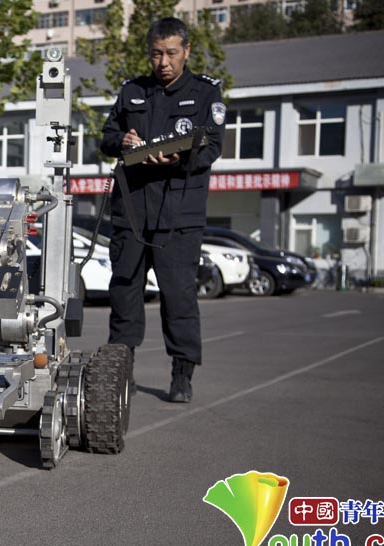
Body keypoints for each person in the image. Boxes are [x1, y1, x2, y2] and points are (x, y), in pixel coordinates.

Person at [100, 17, 225, 403]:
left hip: (178, 215)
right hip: (133, 212)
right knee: (124, 294)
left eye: (171, 53)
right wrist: (122, 138)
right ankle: (123, 373)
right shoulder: (132, 91)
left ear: (186, 51)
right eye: (157, 54)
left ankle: (182, 376)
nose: (164, 62)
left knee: (179, 296)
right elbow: (105, 138)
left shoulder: (206, 92)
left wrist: (177, 155)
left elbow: (213, 146)